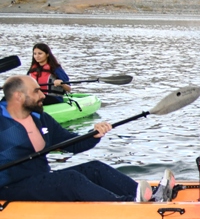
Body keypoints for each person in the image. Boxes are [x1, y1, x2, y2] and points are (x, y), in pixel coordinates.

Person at [0, 74, 156, 202]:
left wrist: (93, 135)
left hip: (40, 179)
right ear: (18, 96)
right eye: (36, 91)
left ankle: (151, 195)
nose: (42, 95)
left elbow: (71, 144)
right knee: (70, 179)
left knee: (95, 168)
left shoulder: (41, 118)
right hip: (9, 187)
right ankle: (128, 203)